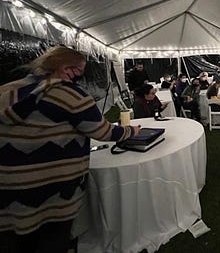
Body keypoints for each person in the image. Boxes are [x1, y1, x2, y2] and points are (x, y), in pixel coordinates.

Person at [0, 46, 139, 253]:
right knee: (53, 238)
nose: (80, 75)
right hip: (52, 189)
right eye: (79, 70)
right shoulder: (69, 95)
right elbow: (103, 132)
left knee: (16, 241)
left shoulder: (9, 90)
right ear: (66, 68)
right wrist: (130, 132)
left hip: (10, 187)